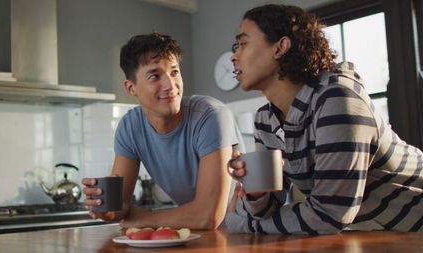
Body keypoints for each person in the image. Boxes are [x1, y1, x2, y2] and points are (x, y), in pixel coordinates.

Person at [226, 4, 423, 234]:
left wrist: (246, 223)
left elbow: (328, 215)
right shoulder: (265, 119)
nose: (234, 56)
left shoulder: (337, 98)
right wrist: (256, 191)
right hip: (382, 235)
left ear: (280, 47)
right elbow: (267, 208)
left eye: (243, 43)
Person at [82, 32, 241, 229]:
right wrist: (104, 208)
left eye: (174, 72)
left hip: (243, 233)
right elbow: (119, 207)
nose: (171, 86)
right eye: (155, 76)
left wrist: (141, 218)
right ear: (131, 88)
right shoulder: (130, 127)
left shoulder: (210, 115)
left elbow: (208, 216)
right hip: (192, 235)